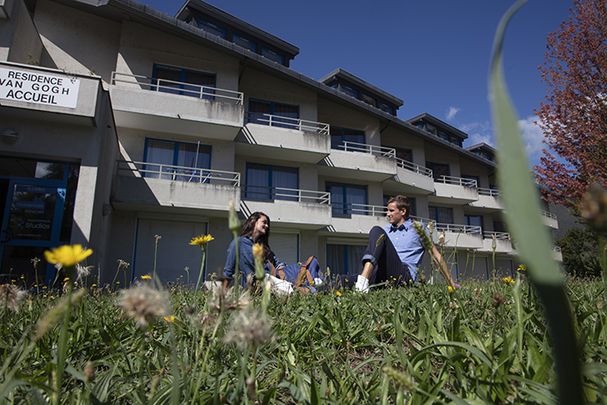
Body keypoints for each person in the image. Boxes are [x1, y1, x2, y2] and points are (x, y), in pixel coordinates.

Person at [354, 195, 457, 292]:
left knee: (376, 230)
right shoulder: (385, 231)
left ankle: (363, 282)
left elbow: (435, 255)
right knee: (342, 280)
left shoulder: (418, 228)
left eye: (391, 211)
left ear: (403, 211)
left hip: (403, 276)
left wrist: (451, 282)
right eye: (387, 210)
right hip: (382, 275)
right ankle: (363, 281)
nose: (387, 214)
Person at [223, 212, 322, 293]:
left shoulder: (263, 246)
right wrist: (222, 294)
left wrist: (286, 271)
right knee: (306, 288)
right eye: (264, 222)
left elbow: (277, 263)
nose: (266, 226)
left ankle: (316, 285)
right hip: (262, 281)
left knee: (311, 262)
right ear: (253, 222)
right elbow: (228, 271)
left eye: (267, 224)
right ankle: (310, 290)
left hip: (279, 276)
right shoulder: (239, 243)